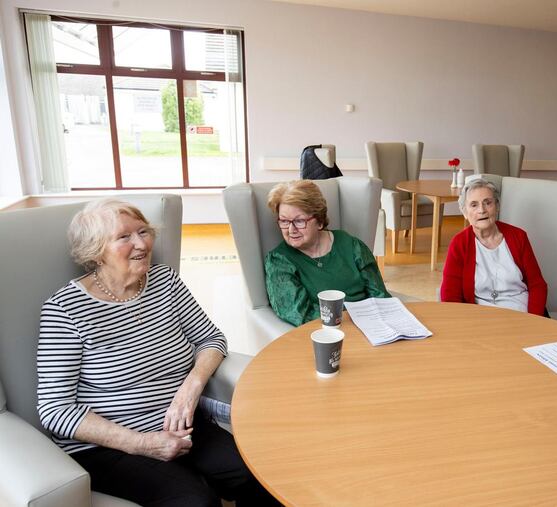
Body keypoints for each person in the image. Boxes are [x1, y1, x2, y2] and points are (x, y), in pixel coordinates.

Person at [37, 199, 275, 506]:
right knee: (195, 501)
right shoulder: (65, 310)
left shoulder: (165, 282)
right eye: (124, 237)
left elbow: (211, 339)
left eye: (144, 231)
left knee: (260, 471)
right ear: (95, 251)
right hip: (111, 446)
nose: (141, 243)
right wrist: (141, 443)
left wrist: (190, 389)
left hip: (182, 423)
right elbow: (55, 409)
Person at [265, 180, 391, 326]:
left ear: (319, 221)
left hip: (375, 326)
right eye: (284, 221)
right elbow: (301, 314)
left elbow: (379, 295)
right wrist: (352, 324)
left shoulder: (351, 245)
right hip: (330, 334)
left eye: (299, 221)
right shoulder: (279, 261)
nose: (291, 230)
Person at [440, 178, 547, 315]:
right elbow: (450, 295)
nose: (482, 210)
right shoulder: (459, 244)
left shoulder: (518, 236)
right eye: (474, 205)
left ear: (497, 206)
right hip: (481, 318)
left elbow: (537, 285)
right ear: (465, 212)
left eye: (488, 203)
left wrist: (534, 320)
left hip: (522, 314)